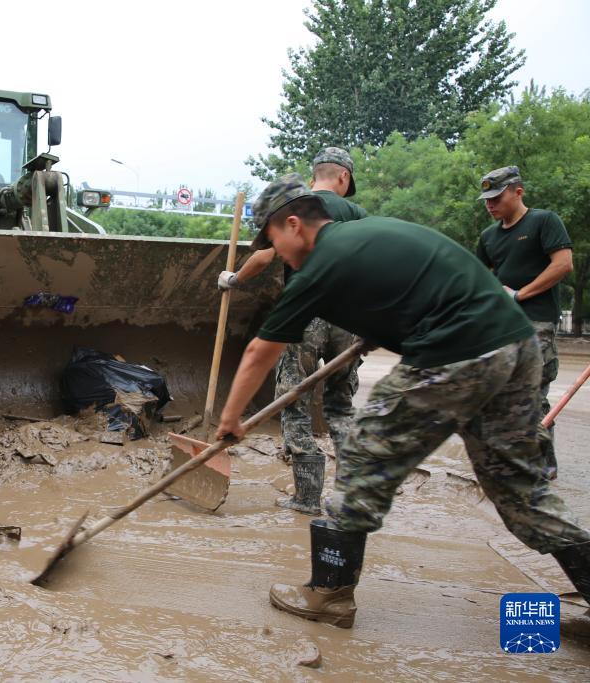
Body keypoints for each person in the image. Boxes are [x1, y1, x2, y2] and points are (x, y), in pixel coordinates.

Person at [216, 175, 590, 629]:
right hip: (517, 347)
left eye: (271, 238)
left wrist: (231, 421)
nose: (274, 250)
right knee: (519, 490)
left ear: (293, 224)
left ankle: (329, 593)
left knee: (364, 451)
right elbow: (414, 289)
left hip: (456, 354)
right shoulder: (373, 233)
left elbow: (261, 350)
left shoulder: (319, 264)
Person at [217, 147, 367, 515]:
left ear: (315, 173)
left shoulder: (296, 206)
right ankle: (350, 497)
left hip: (306, 317)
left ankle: (306, 497)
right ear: (343, 177)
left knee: (294, 403)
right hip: (349, 319)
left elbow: (266, 256)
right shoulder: (359, 215)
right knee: (341, 406)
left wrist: (233, 278)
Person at [476, 166, 572, 480]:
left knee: (532, 396)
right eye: (486, 200)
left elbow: (563, 264)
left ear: (518, 191)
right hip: (501, 328)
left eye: (496, 197)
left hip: (537, 324)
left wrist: (519, 295)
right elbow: (477, 279)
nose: (490, 205)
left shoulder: (544, 221)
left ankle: (543, 466)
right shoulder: (488, 236)